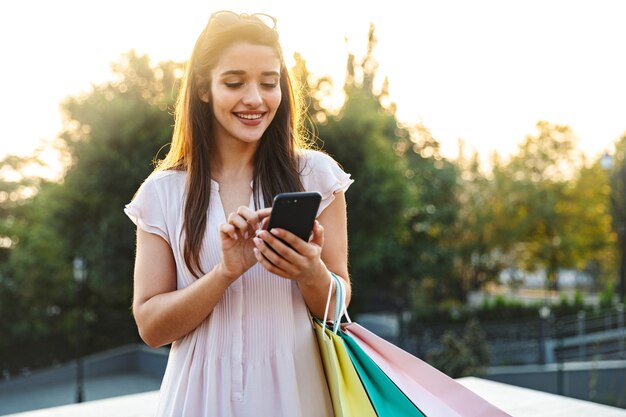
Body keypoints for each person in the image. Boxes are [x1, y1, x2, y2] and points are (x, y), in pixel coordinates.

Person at [124, 10, 353, 417]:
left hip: (297, 395)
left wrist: (309, 271)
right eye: (235, 83)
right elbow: (151, 327)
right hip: (197, 399)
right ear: (203, 88)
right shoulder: (161, 192)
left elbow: (339, 306)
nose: (255, 99)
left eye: (269, 83)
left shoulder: (316, 175)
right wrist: (225, 271)